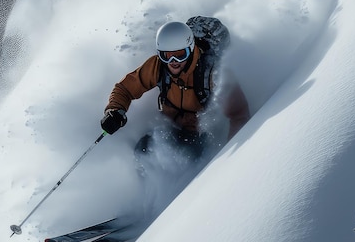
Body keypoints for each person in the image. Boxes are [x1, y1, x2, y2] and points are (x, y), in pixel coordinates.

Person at [100, 20, 250, 162]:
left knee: (185, 154)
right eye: (167, 56)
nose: (173, 62)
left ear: (191, 49)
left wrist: (232, 158)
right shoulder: (158, 66)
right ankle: (155, 187)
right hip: (171, 128)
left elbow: (239, 115)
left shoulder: (213, 72)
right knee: (143, 150)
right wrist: (115, 110)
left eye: (180, 55)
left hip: (202, 138)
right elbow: (125, 88)